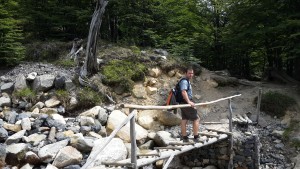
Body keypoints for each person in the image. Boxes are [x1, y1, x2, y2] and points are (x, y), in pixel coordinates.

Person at [179, 67, 200, 143]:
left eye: (192, 73)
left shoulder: (185, 81)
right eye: (189, 73)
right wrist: (189, 102)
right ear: (185, 73)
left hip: (182, 102)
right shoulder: (184, 81)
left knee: (184, 119)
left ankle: (184, 137)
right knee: (196, 119)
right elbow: (183, 92)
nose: (191, 75)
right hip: (186, 102)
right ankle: (196, 136)